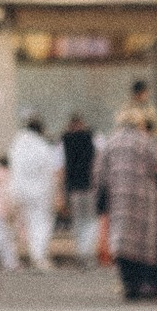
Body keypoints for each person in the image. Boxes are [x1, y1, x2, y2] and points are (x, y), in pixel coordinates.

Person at [101, 98, 157, 299]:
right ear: (139, 122)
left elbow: (100, 173)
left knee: (122, 241)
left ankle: (129, 284)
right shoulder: (144, 141)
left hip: (119, 199)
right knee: (143, 241)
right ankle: (145, 284)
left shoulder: (111, 142)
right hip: (143, 198)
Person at [7, 111, 62, 272]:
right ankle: (38, 256)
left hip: (19, 191)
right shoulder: (43, 147)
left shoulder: (16, 144)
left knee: (27, 224)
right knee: (41, 224)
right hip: (40, 192)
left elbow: (13, 168)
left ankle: (26, 255)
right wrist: (55, 192)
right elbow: (50, 172)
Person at [62, 109, 101, 266]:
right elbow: (96, 163)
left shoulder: (65, 141)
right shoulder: (90, 138)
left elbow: (62, 167)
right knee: (91, 220)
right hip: (89, 186)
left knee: (78, 221)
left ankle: (81, 251)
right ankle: (88, 253)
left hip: (74, 188)